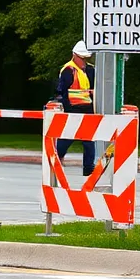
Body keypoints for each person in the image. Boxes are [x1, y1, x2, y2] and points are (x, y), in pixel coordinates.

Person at [55, 41, 97, 177]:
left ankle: (88, 168)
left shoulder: (89, 69)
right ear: (75, 56)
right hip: (73, 109)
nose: (84, 61)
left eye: (86, 58)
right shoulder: (68, 70)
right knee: (69, 136)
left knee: (88, 139)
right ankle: (57, 157)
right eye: (82, 58)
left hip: (87, 109)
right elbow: (62, 91)